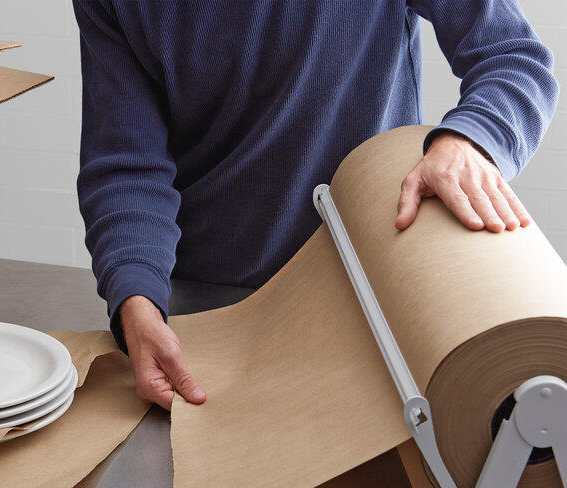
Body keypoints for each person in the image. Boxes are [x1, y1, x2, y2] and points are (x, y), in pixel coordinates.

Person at [72, 1, 559, 411]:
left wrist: (469, 142)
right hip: (207, 314)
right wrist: (135, 301)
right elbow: (127, 161)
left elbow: (512, 57)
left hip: (374, 294)